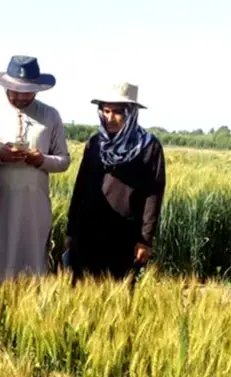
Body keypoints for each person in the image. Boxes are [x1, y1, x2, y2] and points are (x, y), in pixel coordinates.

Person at [0, 55, 71, 281]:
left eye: (26, 91)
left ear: (37, 89)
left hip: (35, 208)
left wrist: (42, 160)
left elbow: (64, 160)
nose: (19, 96)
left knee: (32, 265)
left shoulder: (50, 115)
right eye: (14, 90)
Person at [65, 82, 166, 283]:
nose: (110, 118)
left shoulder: (149, 147)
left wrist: (145, 240)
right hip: (88, 235)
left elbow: (153, 195)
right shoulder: (95, 143)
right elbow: (80, 187)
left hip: (125, 238)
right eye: (105, 111)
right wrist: (71, 230)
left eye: (118, 112)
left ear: (131, 114)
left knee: (120, 300)